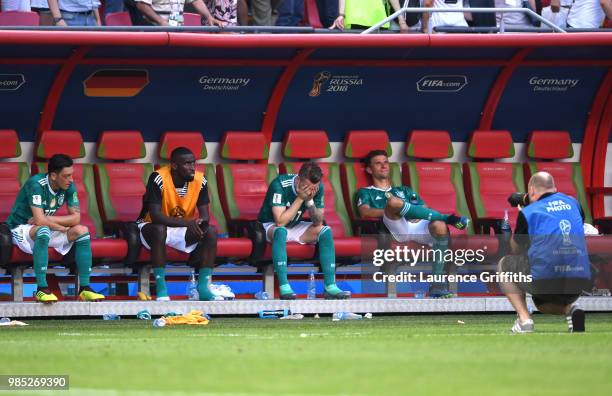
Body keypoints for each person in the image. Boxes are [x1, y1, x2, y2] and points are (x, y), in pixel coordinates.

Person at [356, 150, 469, 298]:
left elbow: (424, 208)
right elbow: (365, 212)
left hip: (416, 225)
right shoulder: (365, 192)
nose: (384, 166)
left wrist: (412, 212)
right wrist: (398, 210)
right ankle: (450, 218)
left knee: (440, 225)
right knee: (392, 202)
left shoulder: (404, 190)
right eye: (378, 163)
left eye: (386, 162)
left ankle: (437, 283)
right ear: (369, 169)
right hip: (395, 228)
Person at [499, 172, 592, 333]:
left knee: (504, 265)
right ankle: (571, 309)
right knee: (541, 303)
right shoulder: (574, 203)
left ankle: (524, 320)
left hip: (546, 279)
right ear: (554, 187)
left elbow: (516, 249)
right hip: (579, 280)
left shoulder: (528, 212)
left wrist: (523, 214)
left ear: (532, 190)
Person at [6, 154, 104, 303]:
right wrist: (57, 225)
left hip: (43, 227)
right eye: (66, 176)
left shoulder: (69, 186)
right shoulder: (36, 184)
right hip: (19, 229)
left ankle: (85, 288)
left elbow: (76, 218)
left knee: (82, 231)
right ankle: (41, 289)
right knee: (43, 230)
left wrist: (51, 220)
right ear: (53, 175)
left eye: (71, 175)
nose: (71, 179)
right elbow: (38, 220)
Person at [137, 147, 220, 301]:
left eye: (193, 163)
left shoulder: (200, 180)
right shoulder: (158, 178)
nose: (192, 168)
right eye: (187, 164)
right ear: (174, 165)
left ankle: (203, 287)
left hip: (182, 227)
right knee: (160, 230)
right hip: (151, 227)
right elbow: (155, 216)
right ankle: (162, 288)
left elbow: (205, 215)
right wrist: (189, 223)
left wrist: (200, 223)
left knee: (211, 232)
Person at [257, 162, 350, 300]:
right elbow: (280, 221)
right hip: (269, 225)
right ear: (299, 179)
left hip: (294, 224)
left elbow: (318, 221)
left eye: (314, 187)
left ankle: (330, 286)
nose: (311, 190)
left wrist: (310, 201)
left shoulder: (317, 188)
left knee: (325, 231)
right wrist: (300, 198)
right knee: (281, 231)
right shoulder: (280, 184)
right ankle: (284, 286)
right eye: (307, 186)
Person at [131, 0, 221, 26]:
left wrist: (209, 17)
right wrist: (161, 22)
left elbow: (196, 1)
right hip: (155, 33)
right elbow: (142, 5)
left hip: (176, 31)